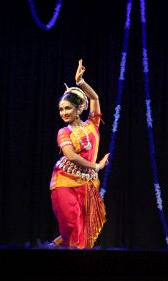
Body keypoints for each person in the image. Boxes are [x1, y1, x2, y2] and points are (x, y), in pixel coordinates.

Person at [49, 59, 109, 249]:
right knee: (71, 223)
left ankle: (59, 244)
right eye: (61, 109)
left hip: (87, 184)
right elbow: (72, 156)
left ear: (78, 109)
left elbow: (95, 98)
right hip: (64, 180)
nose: (64, 112)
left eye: (68, 108)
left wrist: (80, 82)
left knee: (81, 233)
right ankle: (61, 243)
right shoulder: (63, 132)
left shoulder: (93, 125)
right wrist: (97, 166)